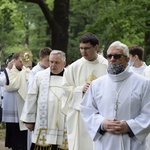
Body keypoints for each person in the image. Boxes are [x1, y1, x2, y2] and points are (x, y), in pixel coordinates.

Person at [80, 41, 150, 150]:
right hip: (105, 142)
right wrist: (102, 123)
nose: (112, 59)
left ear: (127, 59)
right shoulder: (96, 84)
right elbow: (87, 110)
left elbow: (148, 113)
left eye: (117, 56)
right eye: (109, 56)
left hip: (133, 143)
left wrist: (129, 126)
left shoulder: (144, 83)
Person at [61, 33, 108, 150]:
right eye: (81, 48)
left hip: (101, 113)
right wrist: (80, 89)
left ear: (96, 47)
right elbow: (65, 89)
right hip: (80, 114)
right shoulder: (74, 67)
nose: (83, 51)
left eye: (87, 48)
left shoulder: (106, 65)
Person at [21, 50, 68, 150]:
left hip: (64, 123)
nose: (53, 65)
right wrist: (29, 120)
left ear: (64, 63)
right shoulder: (40, 76)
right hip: (43, 124)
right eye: (51, 62)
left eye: (57, 62)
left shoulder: (70, 77)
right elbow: (31, 97)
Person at [2, 52, 30, 150]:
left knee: (23, 136)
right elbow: (9, 85)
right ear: (14, 61)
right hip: (12, 107)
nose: (22, 63)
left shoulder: (26, 71)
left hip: (22, 107)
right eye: (20, 61)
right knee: (14, 136)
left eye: (23, 61)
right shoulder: (9, 72)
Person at [26, 47, 51, 150]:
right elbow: (31, 92)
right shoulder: (35, 72)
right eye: (48, 61)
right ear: (41, 58)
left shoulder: (52, 70)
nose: (50, 64)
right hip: (38, 110)